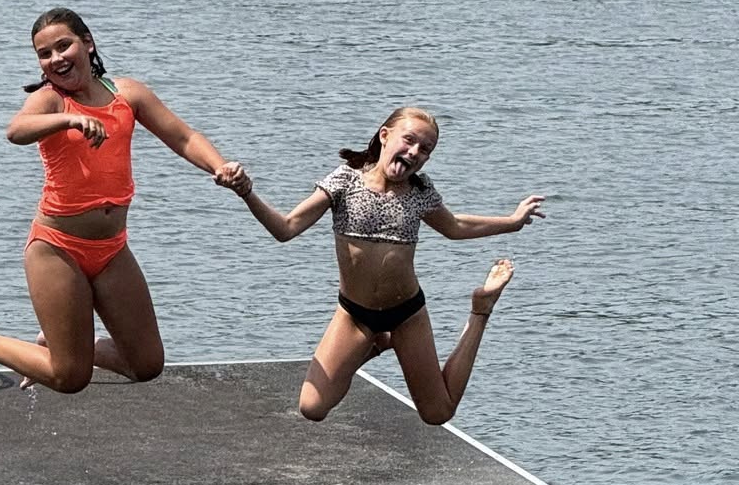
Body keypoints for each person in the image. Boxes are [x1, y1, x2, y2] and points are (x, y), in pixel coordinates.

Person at [0, 8, 244, 391]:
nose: (56, 59)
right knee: (70, 378)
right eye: (44, 54)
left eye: (63, 46)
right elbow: (16, 131)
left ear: (87, 43)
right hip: (57, 248)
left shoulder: (126, 94)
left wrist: (220, 166)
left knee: (147, 363)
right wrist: (70, 120)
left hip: (112, 249)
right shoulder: (50, 101)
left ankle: (58, 344)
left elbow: (184, 137)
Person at [216, 105, 543, 425]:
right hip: (354, 315)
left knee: (438, 414)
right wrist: (247, 193)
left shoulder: (419, 191)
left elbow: (455, 226)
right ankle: (370, 345)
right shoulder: (344, 182)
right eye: (409, 140)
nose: (415, 152)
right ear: (385, 136)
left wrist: (512, 222)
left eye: (425, 149)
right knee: (312, 408)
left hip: (407, 314)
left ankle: (480, 310)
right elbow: (285, 228)